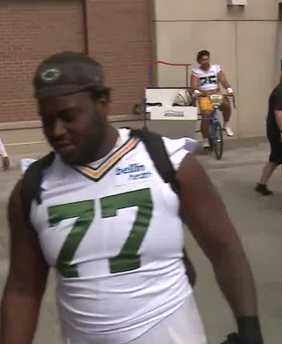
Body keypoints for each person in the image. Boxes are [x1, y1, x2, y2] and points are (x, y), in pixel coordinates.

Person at [0, 52, 263, 344]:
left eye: (68, 116)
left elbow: (224, 248)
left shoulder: (168, 161)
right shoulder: (32, 189)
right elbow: (23, 289)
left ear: (103, 103)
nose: (56, 131)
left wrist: (249, 328)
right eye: (47, 120)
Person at [255, 70, 282, 196]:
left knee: (275, 158)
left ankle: (261, 184)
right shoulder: (281, 93)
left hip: (276, 132)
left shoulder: (281, 92)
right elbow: (278, 112)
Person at [191, 49, 236, 138]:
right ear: (199, 61)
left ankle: (226, 125)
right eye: (203, 60)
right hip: (204, 96)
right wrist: (196, 91)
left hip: (216, 94)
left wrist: (229, 89)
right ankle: (205, 139)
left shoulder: (215, 68)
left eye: (207, 59)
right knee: (206, 116)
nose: (206, 61)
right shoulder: (196, 72)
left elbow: (223, 80)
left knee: (226, 105)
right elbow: (194, 85)